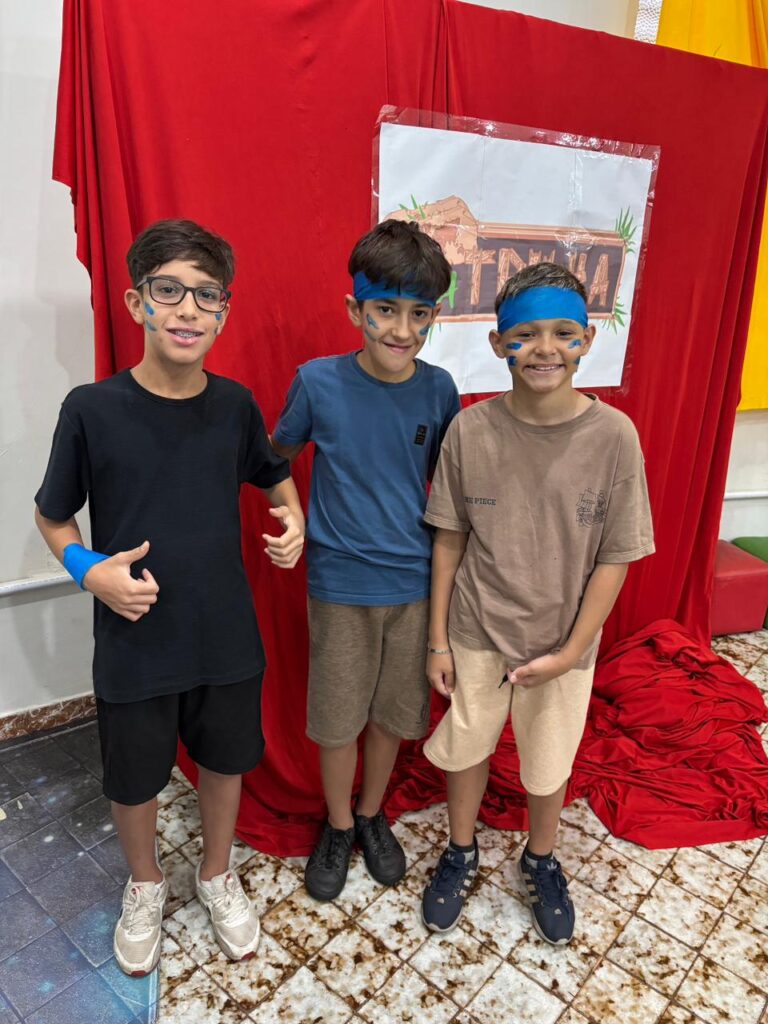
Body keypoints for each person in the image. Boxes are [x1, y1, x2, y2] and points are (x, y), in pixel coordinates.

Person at [34, 219, 305, 976]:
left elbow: (273, 474)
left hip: (224, 631)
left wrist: (295, 521)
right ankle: (146, 882)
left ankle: (217, 873)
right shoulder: (91, 409)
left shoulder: (236, 405)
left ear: (224, 311)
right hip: (135, 635)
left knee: (225, 761)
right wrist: (89, 571)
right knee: (133, 775)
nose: (188, 309)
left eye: (207, 295)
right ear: (137, 303)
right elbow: (53, 517)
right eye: (169, 290)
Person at [420, 261, 654, 945]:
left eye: (562, 333)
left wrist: (572, 651)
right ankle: (461, 849)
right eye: (525, 335)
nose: (544, 349)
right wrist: (438, 639)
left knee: (549, 759)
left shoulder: (614, 438)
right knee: (467, 744)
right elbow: (449, 540)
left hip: (562, 638)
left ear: (587, 340)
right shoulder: (469, 431)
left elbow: (616, 555)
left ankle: (542, 858)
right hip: (476, 627)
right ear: (499, 344)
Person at [272, 219, 460, 900]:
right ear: (356, 310)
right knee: (337, 717)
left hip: (414, 586)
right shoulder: (317, 383)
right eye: (386, 310)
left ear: (433, 316)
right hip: (340, 583)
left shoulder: (439, 390)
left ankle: (373, 812)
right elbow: (272, 460)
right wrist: (293, 514)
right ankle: (338, 821)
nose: (401, 330)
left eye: (419, 314)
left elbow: (448, 486)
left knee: (391, 715)